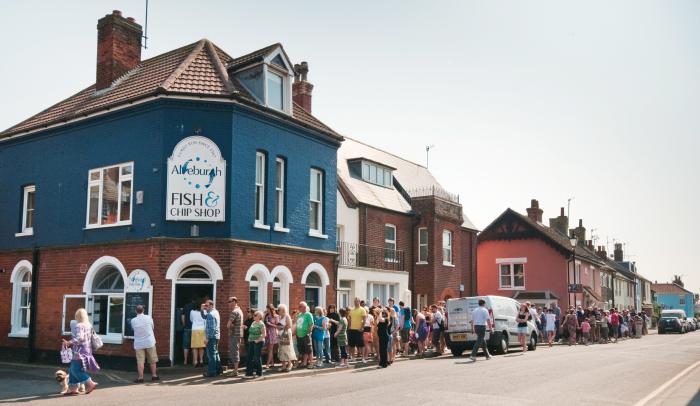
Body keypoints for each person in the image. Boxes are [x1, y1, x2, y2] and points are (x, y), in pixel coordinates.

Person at [60, 308, 99, 395]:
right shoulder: (88, 325)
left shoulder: (79, 325)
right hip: (87, 351)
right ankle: (73, 388)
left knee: (75, 370)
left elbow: (80, 338)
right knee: (72, 369)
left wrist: (69, 342)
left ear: (77, 316)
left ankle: (90, 383)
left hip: (79, 352)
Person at [130, 305, 159, 383]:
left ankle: (140, 377)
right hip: (150, 342)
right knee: (152, 360)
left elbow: (133, 329)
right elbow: (152, 327)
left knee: (140, 361)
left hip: (139, 343)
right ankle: (154, 376)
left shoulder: (133, 320)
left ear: (136, 311)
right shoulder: (149, 318)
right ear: (143, 310)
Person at [243, 310, 266, 378]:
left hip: (258, 342)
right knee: (249, 357)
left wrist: (258, 340)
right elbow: (251, 331)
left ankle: (259, 373)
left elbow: (264, 334)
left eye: (255, 315)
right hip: (251, 341)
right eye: (254, 315)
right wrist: (246, 327)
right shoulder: (253, 323)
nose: (254, 316)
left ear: (259, 317)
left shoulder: (261, 324)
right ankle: (249, 373)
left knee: (256, 357)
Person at [202, 300, 222, 377]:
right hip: (216, 336)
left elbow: (211, 328)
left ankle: (211, 372)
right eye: (205, 306)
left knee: (211, 355)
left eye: (206, 306)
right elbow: (204, 316)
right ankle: (218, 370)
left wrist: (207, 338)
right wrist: (202, 310)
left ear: (211, 305)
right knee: (215, 353)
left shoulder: (211, 314)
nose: (205, 307)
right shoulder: (215, 312)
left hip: (212, 337)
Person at [276, 304, 297, 372]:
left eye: (279, 310)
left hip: (286, 334)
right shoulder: (280, 317)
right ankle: (283, 366)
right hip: (280, 334)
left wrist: (281, 327)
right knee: (281, 350)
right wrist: (278, 328)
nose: (278, 311)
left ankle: (290, 364)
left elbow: (289, 325)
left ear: (283, 310)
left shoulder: (287, 316)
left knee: (286, 349)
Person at [226, 296, 243, 376]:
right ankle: (235, 369)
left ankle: (235, 370)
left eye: (229, 302)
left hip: (234, 335)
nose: (228, 304)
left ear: (234, 302)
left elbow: (228, 325)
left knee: (234, 352)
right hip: (239, 334)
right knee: (236, 351)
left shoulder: (234, 312)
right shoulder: (240, 311)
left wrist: (231, 326)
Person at [347, 297, 367, 363]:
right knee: (352, 344)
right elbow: (349, 318)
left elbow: (364, 319)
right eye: (354, 301)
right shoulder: (352, 310)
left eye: (357, 301)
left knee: (361, 344)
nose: (355, 302)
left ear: (359, 302)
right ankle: (353, 357)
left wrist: (362, 327)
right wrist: (349, 327)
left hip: (359, 329)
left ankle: (363, 358)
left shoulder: (362, 309)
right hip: (352, 329)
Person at [296, 302, 314, 369]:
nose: (299, 308)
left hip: (305, 335)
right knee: (303, 350)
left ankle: (311, 363)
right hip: (299, 335)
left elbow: (311, 324)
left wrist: (309, 333)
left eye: (300, 306)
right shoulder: (299, 314)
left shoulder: (308, 314)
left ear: (304, 307)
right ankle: (304, 362)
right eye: (299, 306)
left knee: (309, 350)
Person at [181, 297, 196, 365]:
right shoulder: (196, 307)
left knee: (185, 346)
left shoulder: (185, 306)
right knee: (194, 346)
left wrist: (184, 325)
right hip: (194, 328)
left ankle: (185, 361)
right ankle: (194, 361)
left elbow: (183, 317)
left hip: (186, 328)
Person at [264, 304, 279, 369]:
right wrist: (264, 315)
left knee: (270, 349)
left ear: (271, 309)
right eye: (266, 309)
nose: (267, 310)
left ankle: (267, 364)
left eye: (268, 309)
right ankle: (272, 363)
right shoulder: (267, 316)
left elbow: (278, 326)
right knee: (269, 349)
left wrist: (270, 324)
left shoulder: (276, 316)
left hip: (273, 333)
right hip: (268, 333)